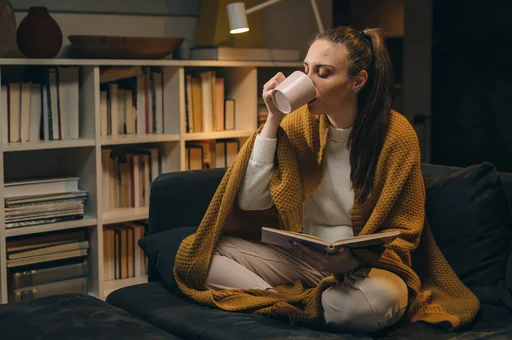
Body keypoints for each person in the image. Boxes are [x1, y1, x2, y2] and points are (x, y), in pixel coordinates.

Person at [173, 26, 479, 333]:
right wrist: (273, 119)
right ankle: (293, 303)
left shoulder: (396, 136)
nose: (309, 81)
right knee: (196, 255)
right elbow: (252, 201)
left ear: (357, 81)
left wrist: (352, 263)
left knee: (374, 303)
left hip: (364, 269)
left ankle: (283, 302)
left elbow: (405, 229)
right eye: (306, 69)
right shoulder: (297, 124)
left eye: (324, 72)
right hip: (299, 260)